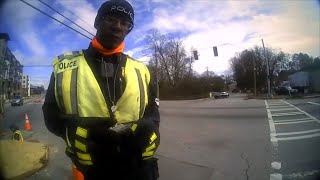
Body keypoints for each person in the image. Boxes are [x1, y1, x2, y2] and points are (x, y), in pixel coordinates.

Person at [42, 0, 160, 179]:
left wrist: (150, 127)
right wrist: (74, 130)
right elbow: (51, 115)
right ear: (97, 22)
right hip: (94, 167)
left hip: (139, 167)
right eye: (111, 19)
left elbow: (153, 111)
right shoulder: (65, 67)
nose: (118, 27)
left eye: (125, 23)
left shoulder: (142, 70)